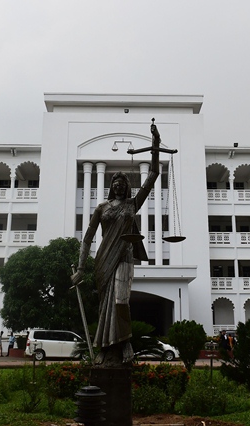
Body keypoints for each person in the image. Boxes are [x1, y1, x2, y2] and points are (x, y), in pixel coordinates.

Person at [72, 121, 162, 367]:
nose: (119, 184)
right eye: (115, 181)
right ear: (111, 186)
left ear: (127, 186)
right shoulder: (101, 208)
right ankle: (104, 349)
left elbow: (153, 176)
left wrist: (155, 145)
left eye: (123, 181)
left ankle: (125, 342)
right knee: (104, 306)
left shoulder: (132, 205)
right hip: (103, 260)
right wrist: (81, 268)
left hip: (123, 257)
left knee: (121, 300)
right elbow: (88, 237)